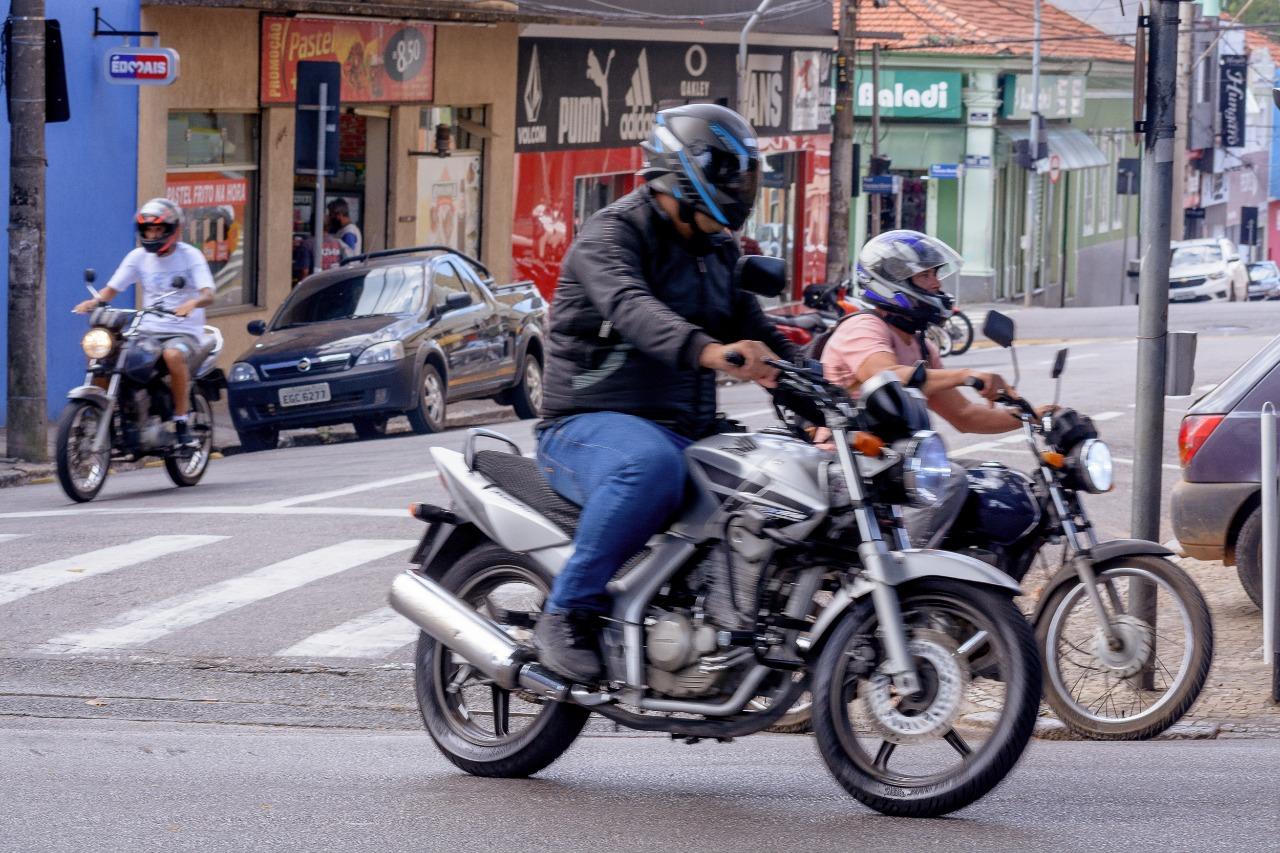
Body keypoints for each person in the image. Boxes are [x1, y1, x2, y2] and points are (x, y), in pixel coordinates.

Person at [533, 103, 801, 683]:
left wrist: (822, 382)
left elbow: (758, 330)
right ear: (687, 171)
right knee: (648, 466)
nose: (742, 187)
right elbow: (631, 307)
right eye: (731, 172)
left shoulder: (719, 250)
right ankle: (567, 610)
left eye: (747, 174)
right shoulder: (611, 234)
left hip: (684, 425)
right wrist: (708, 350)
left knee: (775, 481)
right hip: (587, 424)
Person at [819, 230, 1054, 544]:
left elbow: (965, 415)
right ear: (890, 281)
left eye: (935, 274)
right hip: (845, 463)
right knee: (951, 479)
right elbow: (887, 374)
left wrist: (1032, 416)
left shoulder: (920, 345)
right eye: (925, 275)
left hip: (895, 465)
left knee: (998, 482)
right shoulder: (863, 327)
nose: (936, 284)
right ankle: (908, 579)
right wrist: (967, 375)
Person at [74, 198, 215, 450]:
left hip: (183, 331)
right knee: (104, 353)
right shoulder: (138, 257)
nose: (153, 234)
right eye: (148, 230)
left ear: (172, 230)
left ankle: (181, 421)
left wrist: (192, 304)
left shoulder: (190, 256)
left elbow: (208, 293)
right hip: (147, 329)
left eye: (158, 230)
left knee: (172, 355)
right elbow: (111, 289)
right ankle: (103, 414)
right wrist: (92, 302)